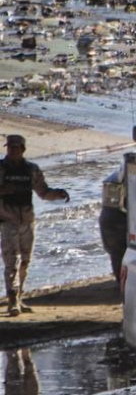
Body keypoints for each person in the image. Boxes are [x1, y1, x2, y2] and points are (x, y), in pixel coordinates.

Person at [0, 135, 70, 317]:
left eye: (16, 148)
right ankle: (12, 299)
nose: (12, 151)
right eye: (10, 147)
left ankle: (20, 296)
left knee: (25, 261)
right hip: (7, 220)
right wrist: (7, 189)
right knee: (11, 262)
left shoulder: (31, 169)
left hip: (28, 220)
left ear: (22, 149)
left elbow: (43, 192)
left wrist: (58, 194)